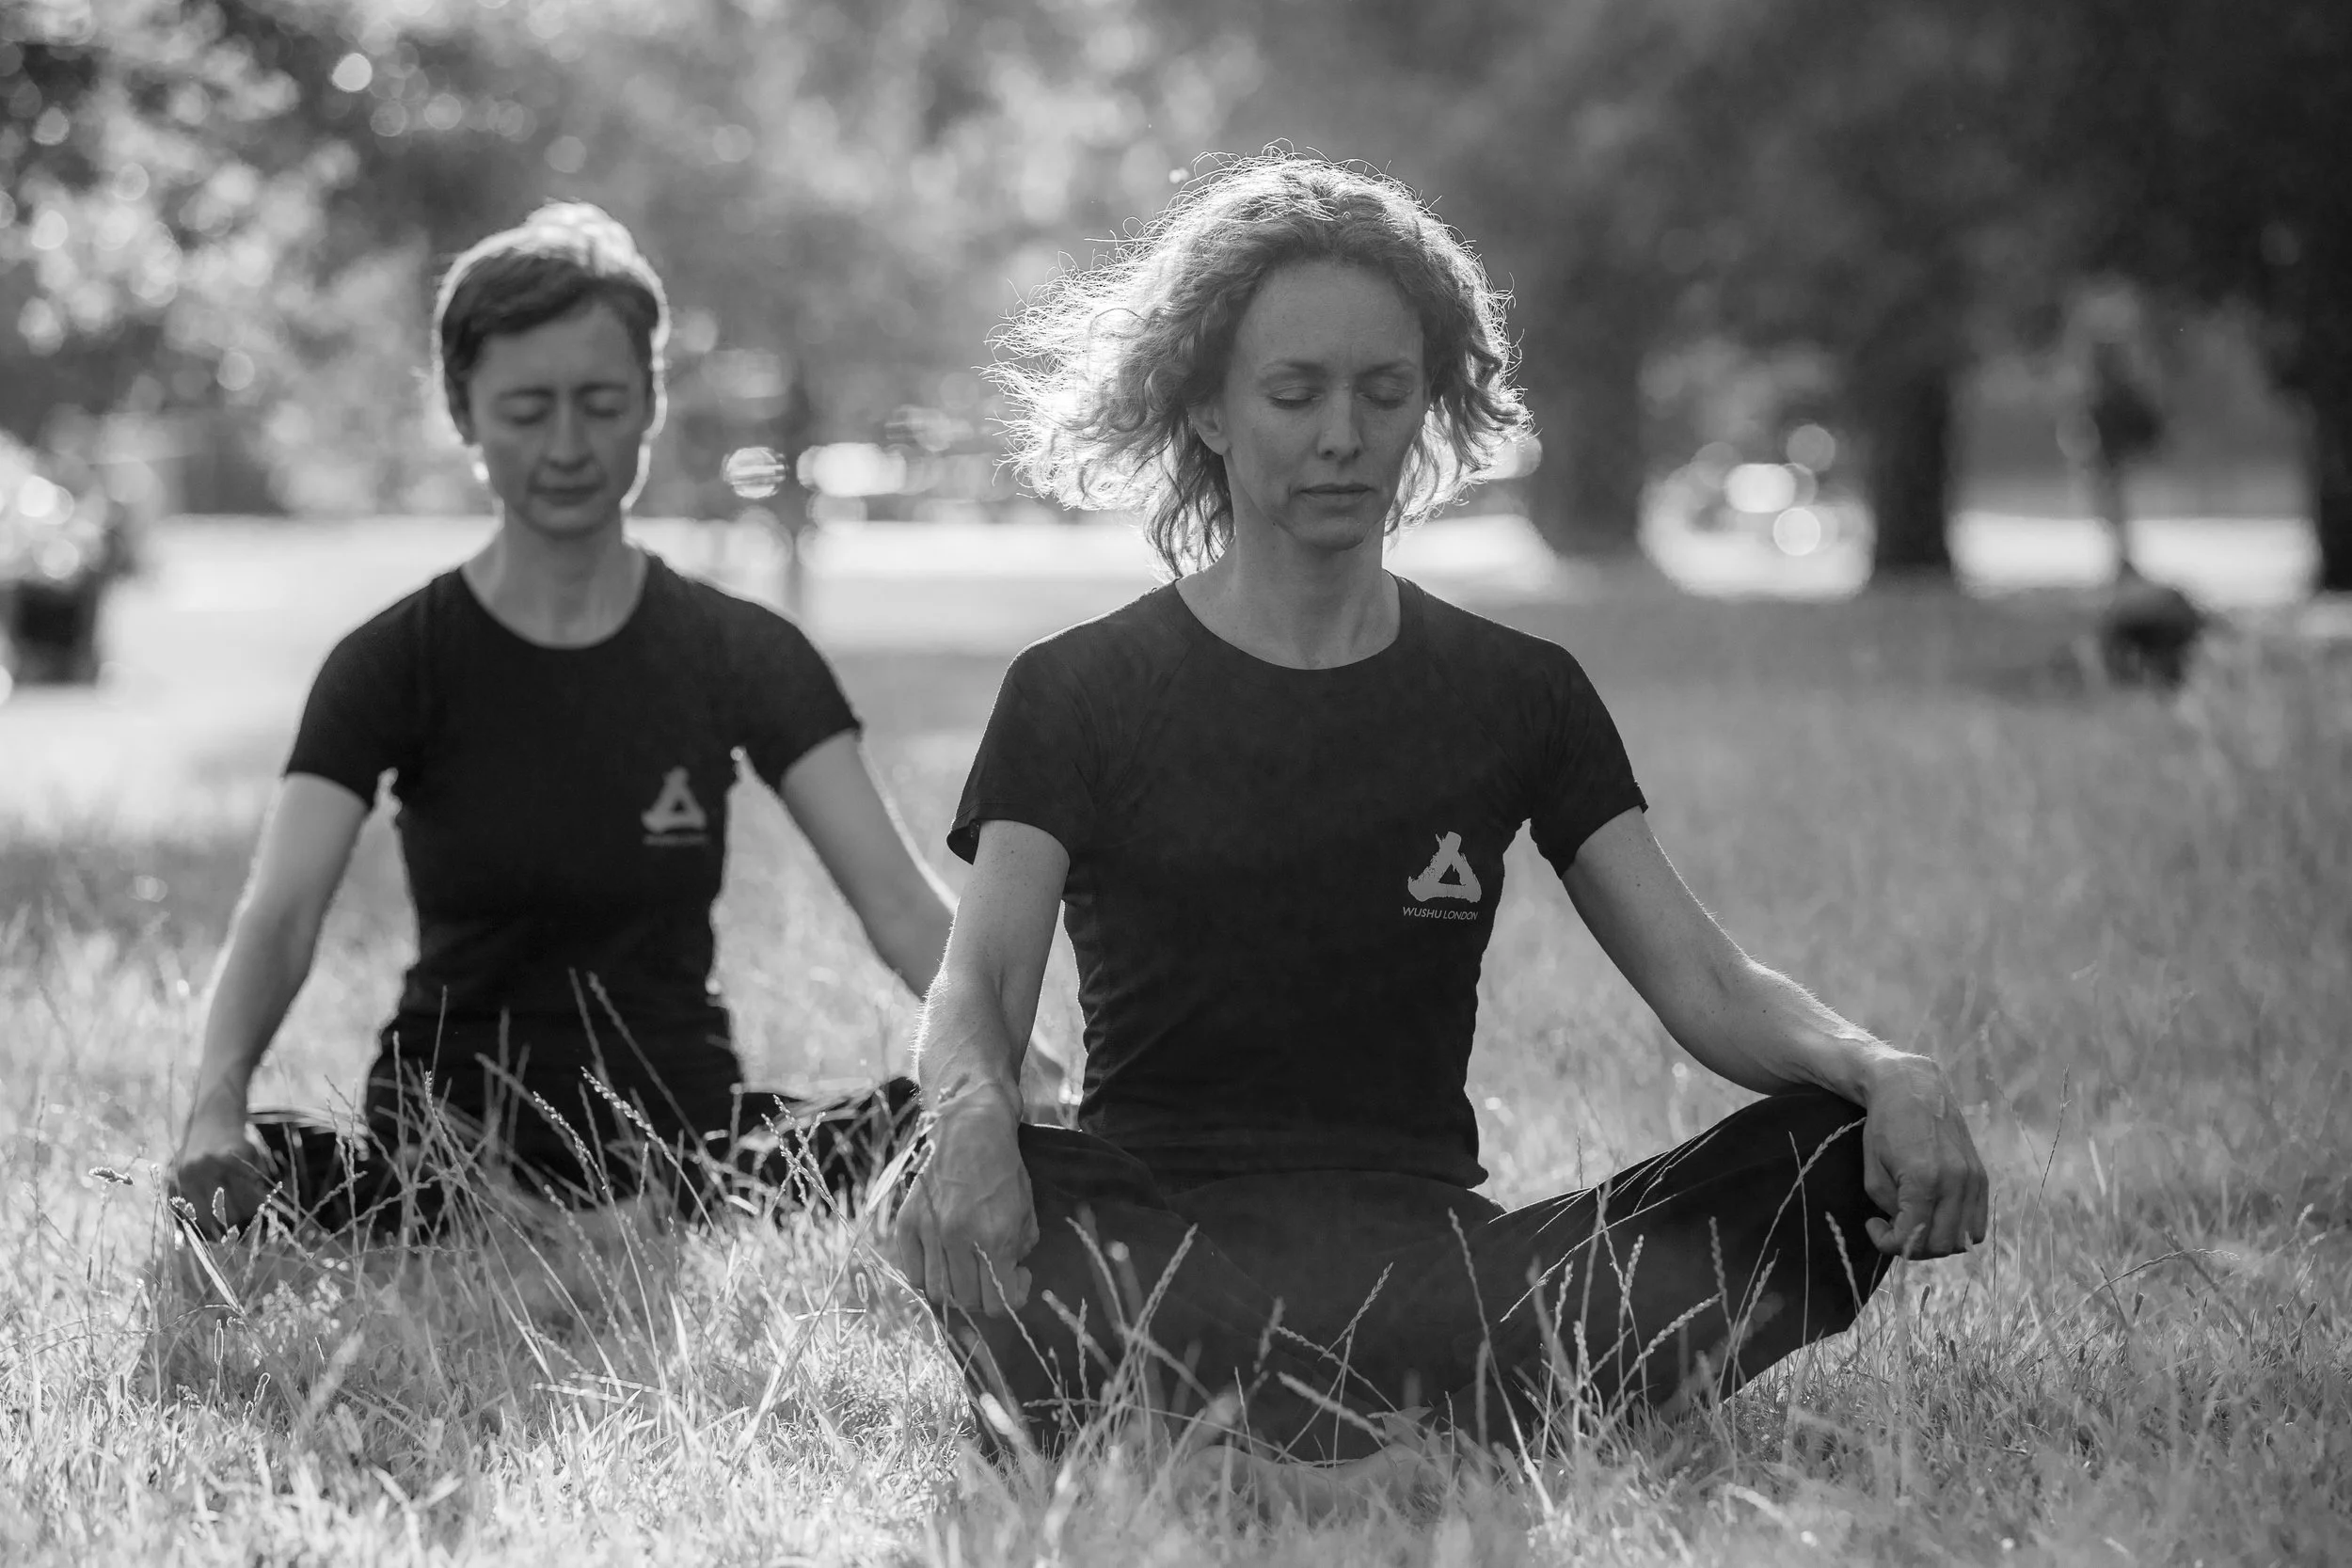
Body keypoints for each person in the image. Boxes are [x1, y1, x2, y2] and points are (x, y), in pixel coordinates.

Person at [888, 158, 1990, 1471]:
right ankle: (1399, 1413)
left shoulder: (1518, 693)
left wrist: (1882, 1067)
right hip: (1153, 1240)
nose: (1342, 435)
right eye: (1294, 393)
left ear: (1434, 405)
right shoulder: (1075, 687)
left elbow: (1704, 976)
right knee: (957, 1176)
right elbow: (984, 982)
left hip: (1438, 1277)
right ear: (1209, 409)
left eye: (1383, 391)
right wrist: (965, 1121)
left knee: (1825, 1147)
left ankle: (1277, 1410)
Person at [169, 204, 939, 1238]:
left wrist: (1004, 1060)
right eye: (528, 409)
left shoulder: (740, 649)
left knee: (941, 1123)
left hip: (686, 1152)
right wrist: (214, 1102)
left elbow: (895, 897)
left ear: (650, 404)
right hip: (439, 1154)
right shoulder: (393, 660)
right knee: (253, 1166)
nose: (569, 445)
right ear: (463, 411)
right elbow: (281, 912)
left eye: (602, 402)